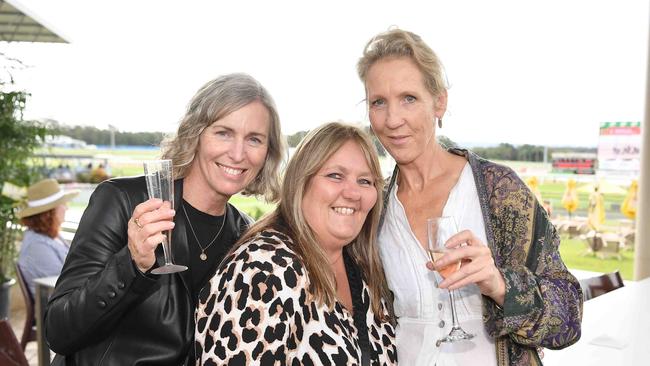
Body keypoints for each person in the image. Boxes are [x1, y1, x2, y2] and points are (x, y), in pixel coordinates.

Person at [356, 29, 582, 365]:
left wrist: (500, 284)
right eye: (379, 102)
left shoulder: (498, 191)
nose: (392, 120)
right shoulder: (374, 207)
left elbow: (569, 319)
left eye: (409, 98)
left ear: (439, 102)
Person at [44, 73, 285, 365]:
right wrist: (131, 266)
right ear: (196, 133)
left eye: (254, 139)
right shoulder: (122, 201)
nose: (237, 153)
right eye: (223, 132)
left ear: (267, 153)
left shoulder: (248, 238)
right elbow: (58, 331)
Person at [195, 122, 398, 365]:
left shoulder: (363, 270)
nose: (353, 193)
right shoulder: (263, 270)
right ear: (301, 182)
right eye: (335, 176)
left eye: (365, 181)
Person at [17, 179, 79, 297]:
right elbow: (65, 283)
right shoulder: (37, 246)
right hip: (59, 309)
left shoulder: (51, 235)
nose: (67, 208)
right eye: (63, 204)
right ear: (48, 214)